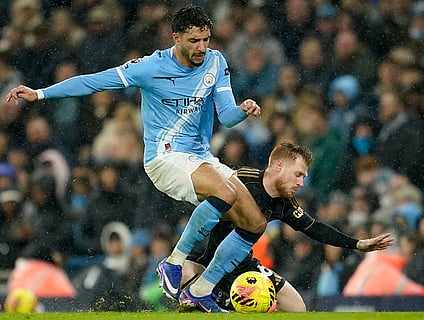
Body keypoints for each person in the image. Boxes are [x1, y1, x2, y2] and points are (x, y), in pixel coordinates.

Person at [5, 5, 266, 313]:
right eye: (194, 41)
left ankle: (202, 289)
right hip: (164, 158)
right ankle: (173, 265)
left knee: (255, 223)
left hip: (200, 158)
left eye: (206, 39)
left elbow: (226, 114)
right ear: (176, 37)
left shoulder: (215, 61)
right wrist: (41, 93)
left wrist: (243, 110)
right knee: (226, 192)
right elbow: (93, 81)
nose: (202, 47)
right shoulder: (149, 67)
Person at [182, 141, 393, 312]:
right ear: (279, 166)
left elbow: (315, 228)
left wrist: (357, 244)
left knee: (297, 307)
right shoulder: (240, 179)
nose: (301, 183)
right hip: (206, 261)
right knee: (183, 272)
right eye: (298, 174)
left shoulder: (284, 205)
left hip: (242, 267)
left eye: (303, 177)